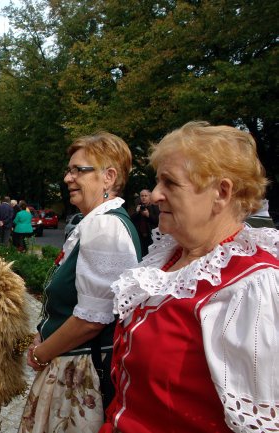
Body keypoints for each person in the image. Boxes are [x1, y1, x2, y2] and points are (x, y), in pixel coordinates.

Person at [101, 122, 279, 433]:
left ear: (221, 193)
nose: (155, 194)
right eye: (158, 182)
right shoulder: (169, 255)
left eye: (170, 183)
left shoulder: (251, 286)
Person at [20, 132, 141, 433]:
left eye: (78, 170)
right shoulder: (97, 222)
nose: (68, 178)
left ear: (108, 177)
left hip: (84, 371)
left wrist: (40, 353)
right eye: (69, 170)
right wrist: (42, 334)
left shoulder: (105, 225)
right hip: (70, 362)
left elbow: (92, 319)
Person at [130, 188, 159, 256]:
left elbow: (158, 221)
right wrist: (136, 212)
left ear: (150, 196)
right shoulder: (138, 206)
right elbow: (131, 220)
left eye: (146, 196)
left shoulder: (155, 206)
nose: (143, 198)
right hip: (141, 236)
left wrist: (148, 215)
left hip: (152, 235)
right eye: (142, 196)